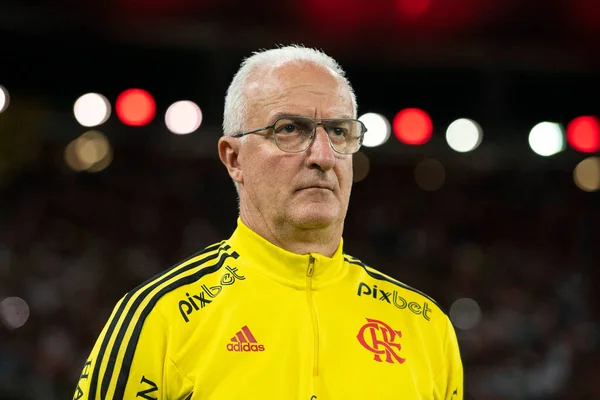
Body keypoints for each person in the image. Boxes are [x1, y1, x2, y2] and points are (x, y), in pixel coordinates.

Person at [73, 45, 463, 400]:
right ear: (234, 158)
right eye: (290, 129)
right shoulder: (159, 318)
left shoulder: (426, 327)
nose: (323, 156)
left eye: (339, 132)